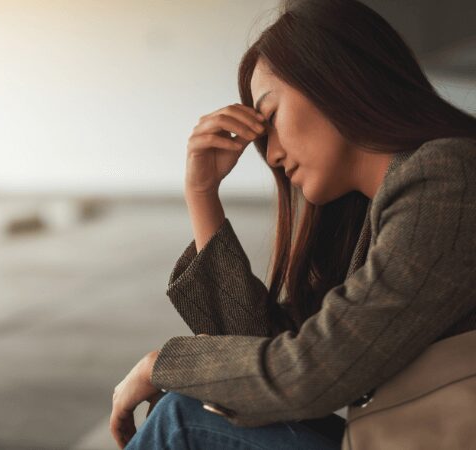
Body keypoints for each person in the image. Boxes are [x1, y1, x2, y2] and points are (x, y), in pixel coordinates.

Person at [110, 0, 476, 448]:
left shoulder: (448, 176)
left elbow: (311, 372)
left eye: (271, 118)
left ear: (335, 82)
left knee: (185, 418)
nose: (272, 154)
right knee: (190, 409)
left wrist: (162, 363)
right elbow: (261, 366)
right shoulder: (370, 216)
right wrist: (203, 194)